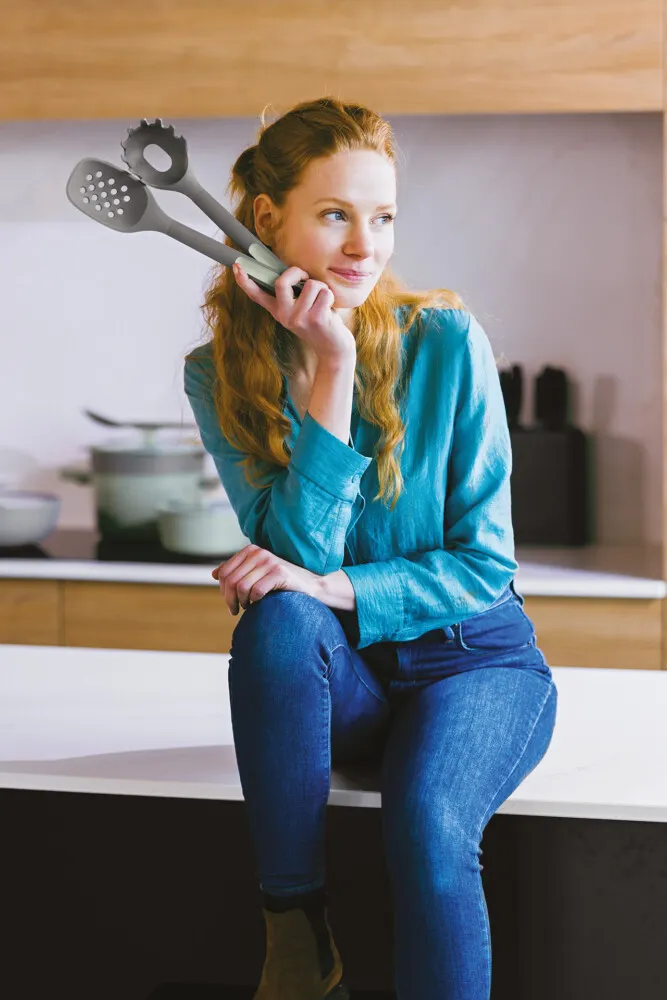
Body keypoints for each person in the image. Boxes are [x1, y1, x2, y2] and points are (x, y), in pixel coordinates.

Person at [184, 95, 558, 1000]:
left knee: (428, 825)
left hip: (476, 665)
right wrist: (332, 370)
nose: (364, 246)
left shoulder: (444, 340)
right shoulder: (217, 375)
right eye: (335, 215)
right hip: (347, 680)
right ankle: (295, 930)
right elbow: (290, 558)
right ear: (267, 221)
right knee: (276, 623)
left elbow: (483, 564)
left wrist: (333, 586)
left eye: (382, 217)